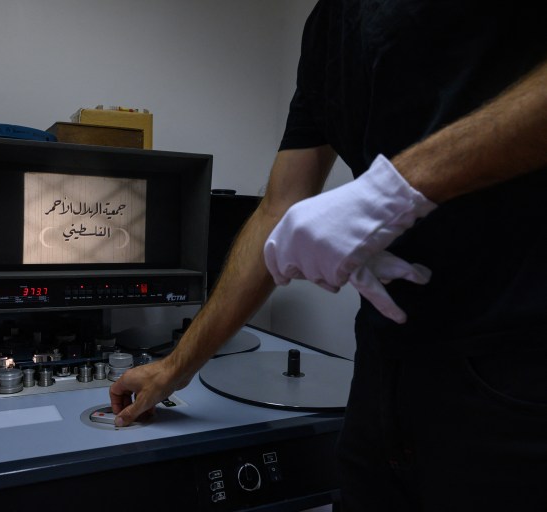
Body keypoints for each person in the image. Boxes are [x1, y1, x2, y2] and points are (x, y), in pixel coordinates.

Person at [110, 1, 547, 509]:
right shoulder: (328, 25)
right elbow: (279, 208)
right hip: (384, 372)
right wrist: (174, 368)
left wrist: (392, 191)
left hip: (520, 366)